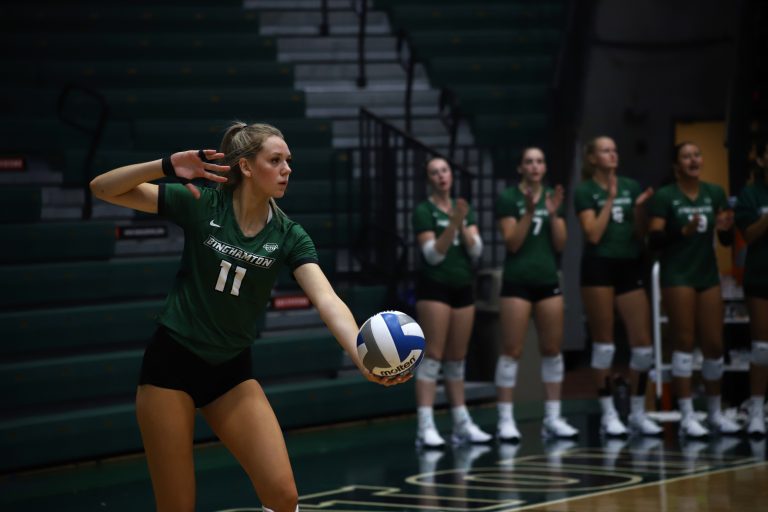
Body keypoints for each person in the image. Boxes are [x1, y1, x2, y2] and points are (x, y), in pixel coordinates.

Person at [89, 122, 409, 512]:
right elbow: (102, 188)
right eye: (275, 160)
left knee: (283, 495)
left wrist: (361, 354)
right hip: (171, 365)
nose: (287, 169)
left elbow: (327, 299)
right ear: (245, 167)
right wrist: (167, 165)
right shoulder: (201, 202)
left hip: (230, 370)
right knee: (176, 505)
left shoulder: (289, 235)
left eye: (288, 160)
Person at [647, 141, 742, 437]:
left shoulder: (715, 192)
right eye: (686, 156)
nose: (693, 160)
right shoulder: (666, 196)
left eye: (697, 155)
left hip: (707, 274)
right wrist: (681, 231)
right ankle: (687, 415)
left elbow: (726, 241)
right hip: (677, 275)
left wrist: (726, 229)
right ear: (676, 165)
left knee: (714, 345)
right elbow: (654, 240)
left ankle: (714, 413)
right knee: (684, 341)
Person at [574, 136, 662, 437]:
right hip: (599, 266)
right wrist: (610, 199)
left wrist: (639, 210)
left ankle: (637, 412)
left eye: (614, 149)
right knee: (604, 344)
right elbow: (593, 235)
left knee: (643, 346)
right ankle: (608, 413)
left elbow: (640, 233)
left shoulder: (631, 186)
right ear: (592, 158)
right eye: (605, 150)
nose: (612, 154)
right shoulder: (585, 191)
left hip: (629, 264)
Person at [493, 147, 578, 441]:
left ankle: (553, 418)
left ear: (545, 167)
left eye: (539, 161)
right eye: (528, 161)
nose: (534, 166)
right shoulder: (509, 198)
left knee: (552, 349)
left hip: (547, 279)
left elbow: (561, 244)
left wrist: (553, 214)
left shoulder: (552, 196)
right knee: (512, 350)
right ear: (520, 168)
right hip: (517, 281)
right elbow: (512, 243)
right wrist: (529, 212)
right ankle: (505, 419)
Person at [411, 156, 492, 448]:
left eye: (444, 170)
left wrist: (461, 222)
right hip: (435, 287)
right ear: (429, 179)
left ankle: (461, 423)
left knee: (457, 359)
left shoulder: (462, 207)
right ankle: (425, 426)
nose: (441, 176)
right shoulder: (424, 211)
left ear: (451, 175)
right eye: (434, 172)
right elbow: (433, 255)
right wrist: (455, 223)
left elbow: (476, 250)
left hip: (463, 285)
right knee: (433, 355)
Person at [735, 138, 768, 436]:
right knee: (762, 347)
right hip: (761, 276)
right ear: (761, 160)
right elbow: (748, 235)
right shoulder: (751, 193)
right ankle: (756, 409)